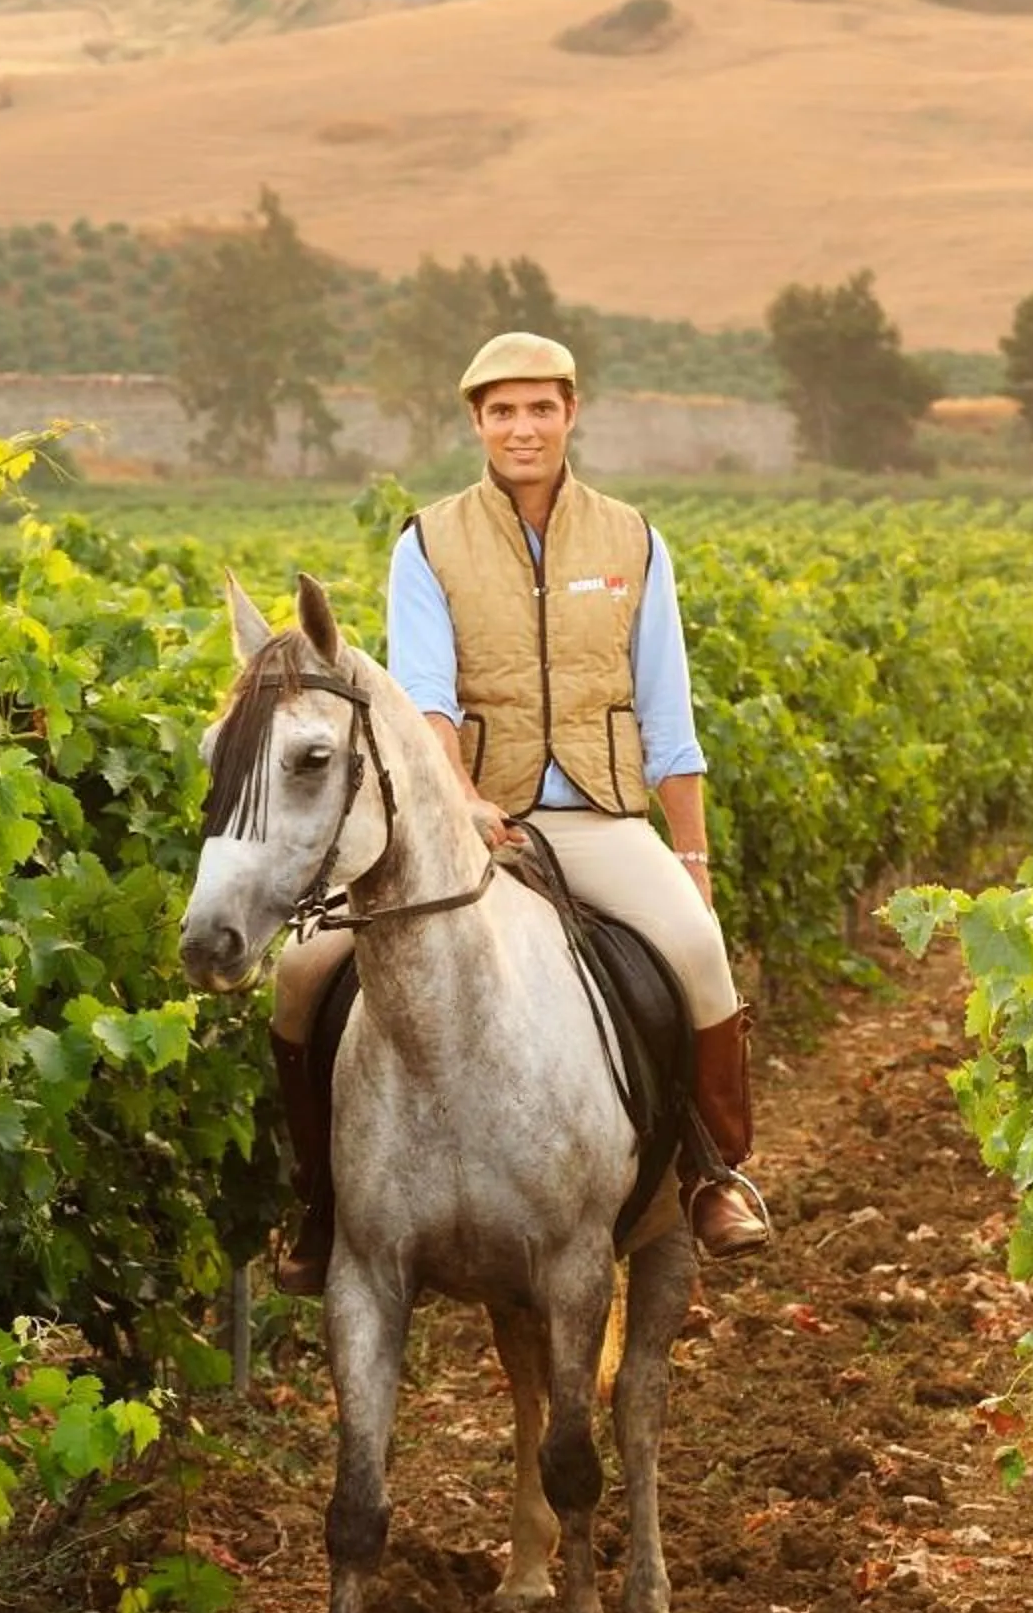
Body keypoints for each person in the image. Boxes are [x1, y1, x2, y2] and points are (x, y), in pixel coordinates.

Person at [263, 331, 774, 1291]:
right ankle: (323, 1204)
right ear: (477, 424)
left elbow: (669, 716)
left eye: (540, 407)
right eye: (503, 411)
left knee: (700, 956)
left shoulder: (633, 538)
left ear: (571, 412)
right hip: (469, 825)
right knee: (301, 973)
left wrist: (694, 860)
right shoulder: (428, 540)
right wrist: (460, 803)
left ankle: (713, 1172)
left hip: (596, 815)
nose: (523, 427)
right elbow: (424, 700)